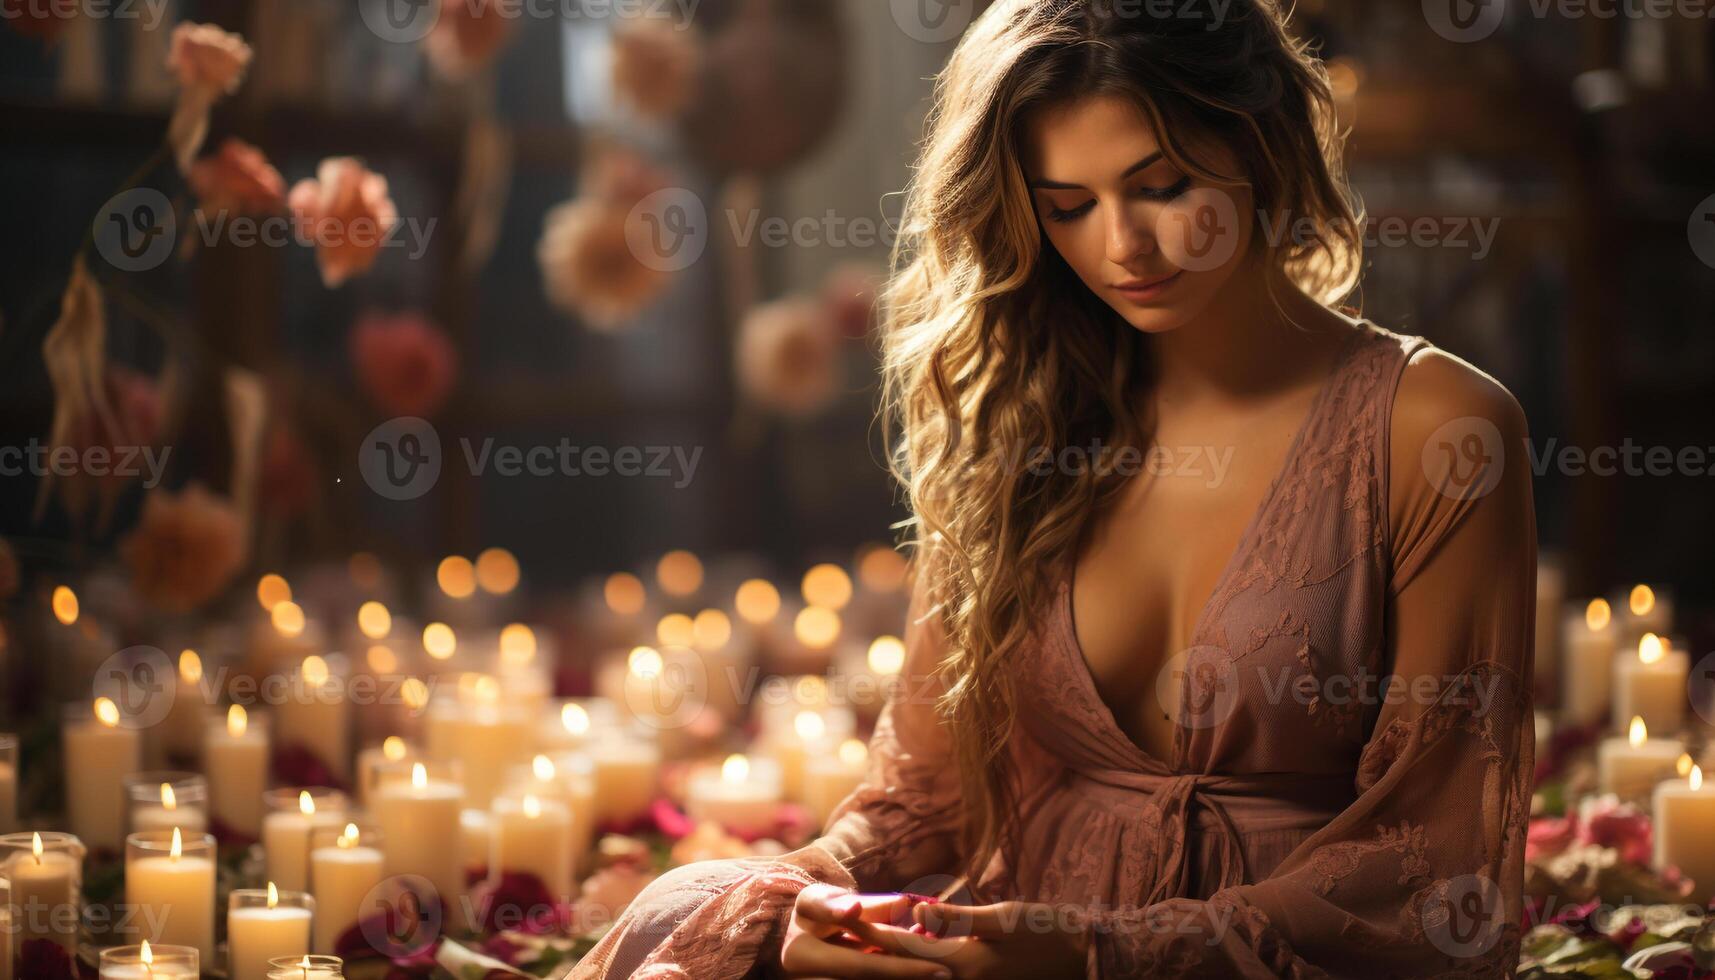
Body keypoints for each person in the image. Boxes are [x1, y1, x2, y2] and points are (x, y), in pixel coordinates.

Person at [572, 1, 1535, 976]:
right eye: (1067, 204)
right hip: (1000, 945)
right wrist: (809, 896)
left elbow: (1428, 864)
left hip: (1250, 963)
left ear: (1259, 142)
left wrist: (1090, 951)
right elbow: (925, 800)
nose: (1122, 246)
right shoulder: (1020, 416)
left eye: (1158, 186)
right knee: (692, 907)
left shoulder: (1433, 429)